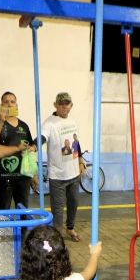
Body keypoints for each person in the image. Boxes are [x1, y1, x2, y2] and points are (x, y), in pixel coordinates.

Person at [41, 92, 82, 241]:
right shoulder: (49, 123)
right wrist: (34, 145)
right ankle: (57, 237)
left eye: (67, 103)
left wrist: (81, 161)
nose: (64, 106)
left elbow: (76, 142)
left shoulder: (73, 121)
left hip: (74, 173)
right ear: (55, 105)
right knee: (58, 210)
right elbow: (43, 137)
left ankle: (70, 228)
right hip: (58, 175)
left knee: (74, 203)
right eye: (61, 103)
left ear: (71, 106)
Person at [0, 91, 34, 210]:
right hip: (3, 177)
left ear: (16, 105)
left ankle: (23, 230)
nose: (9, 104)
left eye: (12, 102)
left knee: (23, 211)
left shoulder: (24, 126)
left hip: (23, 177)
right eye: (6, 102)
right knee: (3, 211)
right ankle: (3, 230)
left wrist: (33, 175)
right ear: (1, 105)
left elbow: (29, 151)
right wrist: (1, 121)